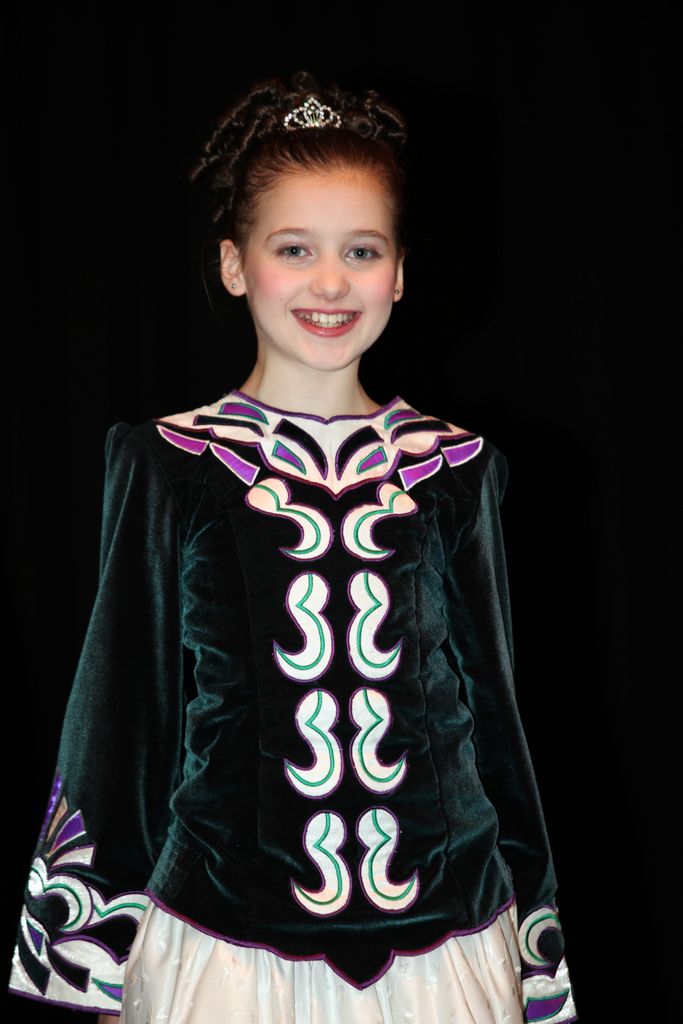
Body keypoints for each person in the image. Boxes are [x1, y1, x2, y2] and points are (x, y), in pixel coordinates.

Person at [8, 70, 577, 1023]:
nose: (330, 282)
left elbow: (497, 726)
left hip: (445, 951)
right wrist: (86, 965)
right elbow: (120, 719)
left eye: (361, 250)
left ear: (399, 271)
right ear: (235, 265)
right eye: (294, 249)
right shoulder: (171, 463)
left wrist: (539, 958)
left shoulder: (455, 468)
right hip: (224, 952)